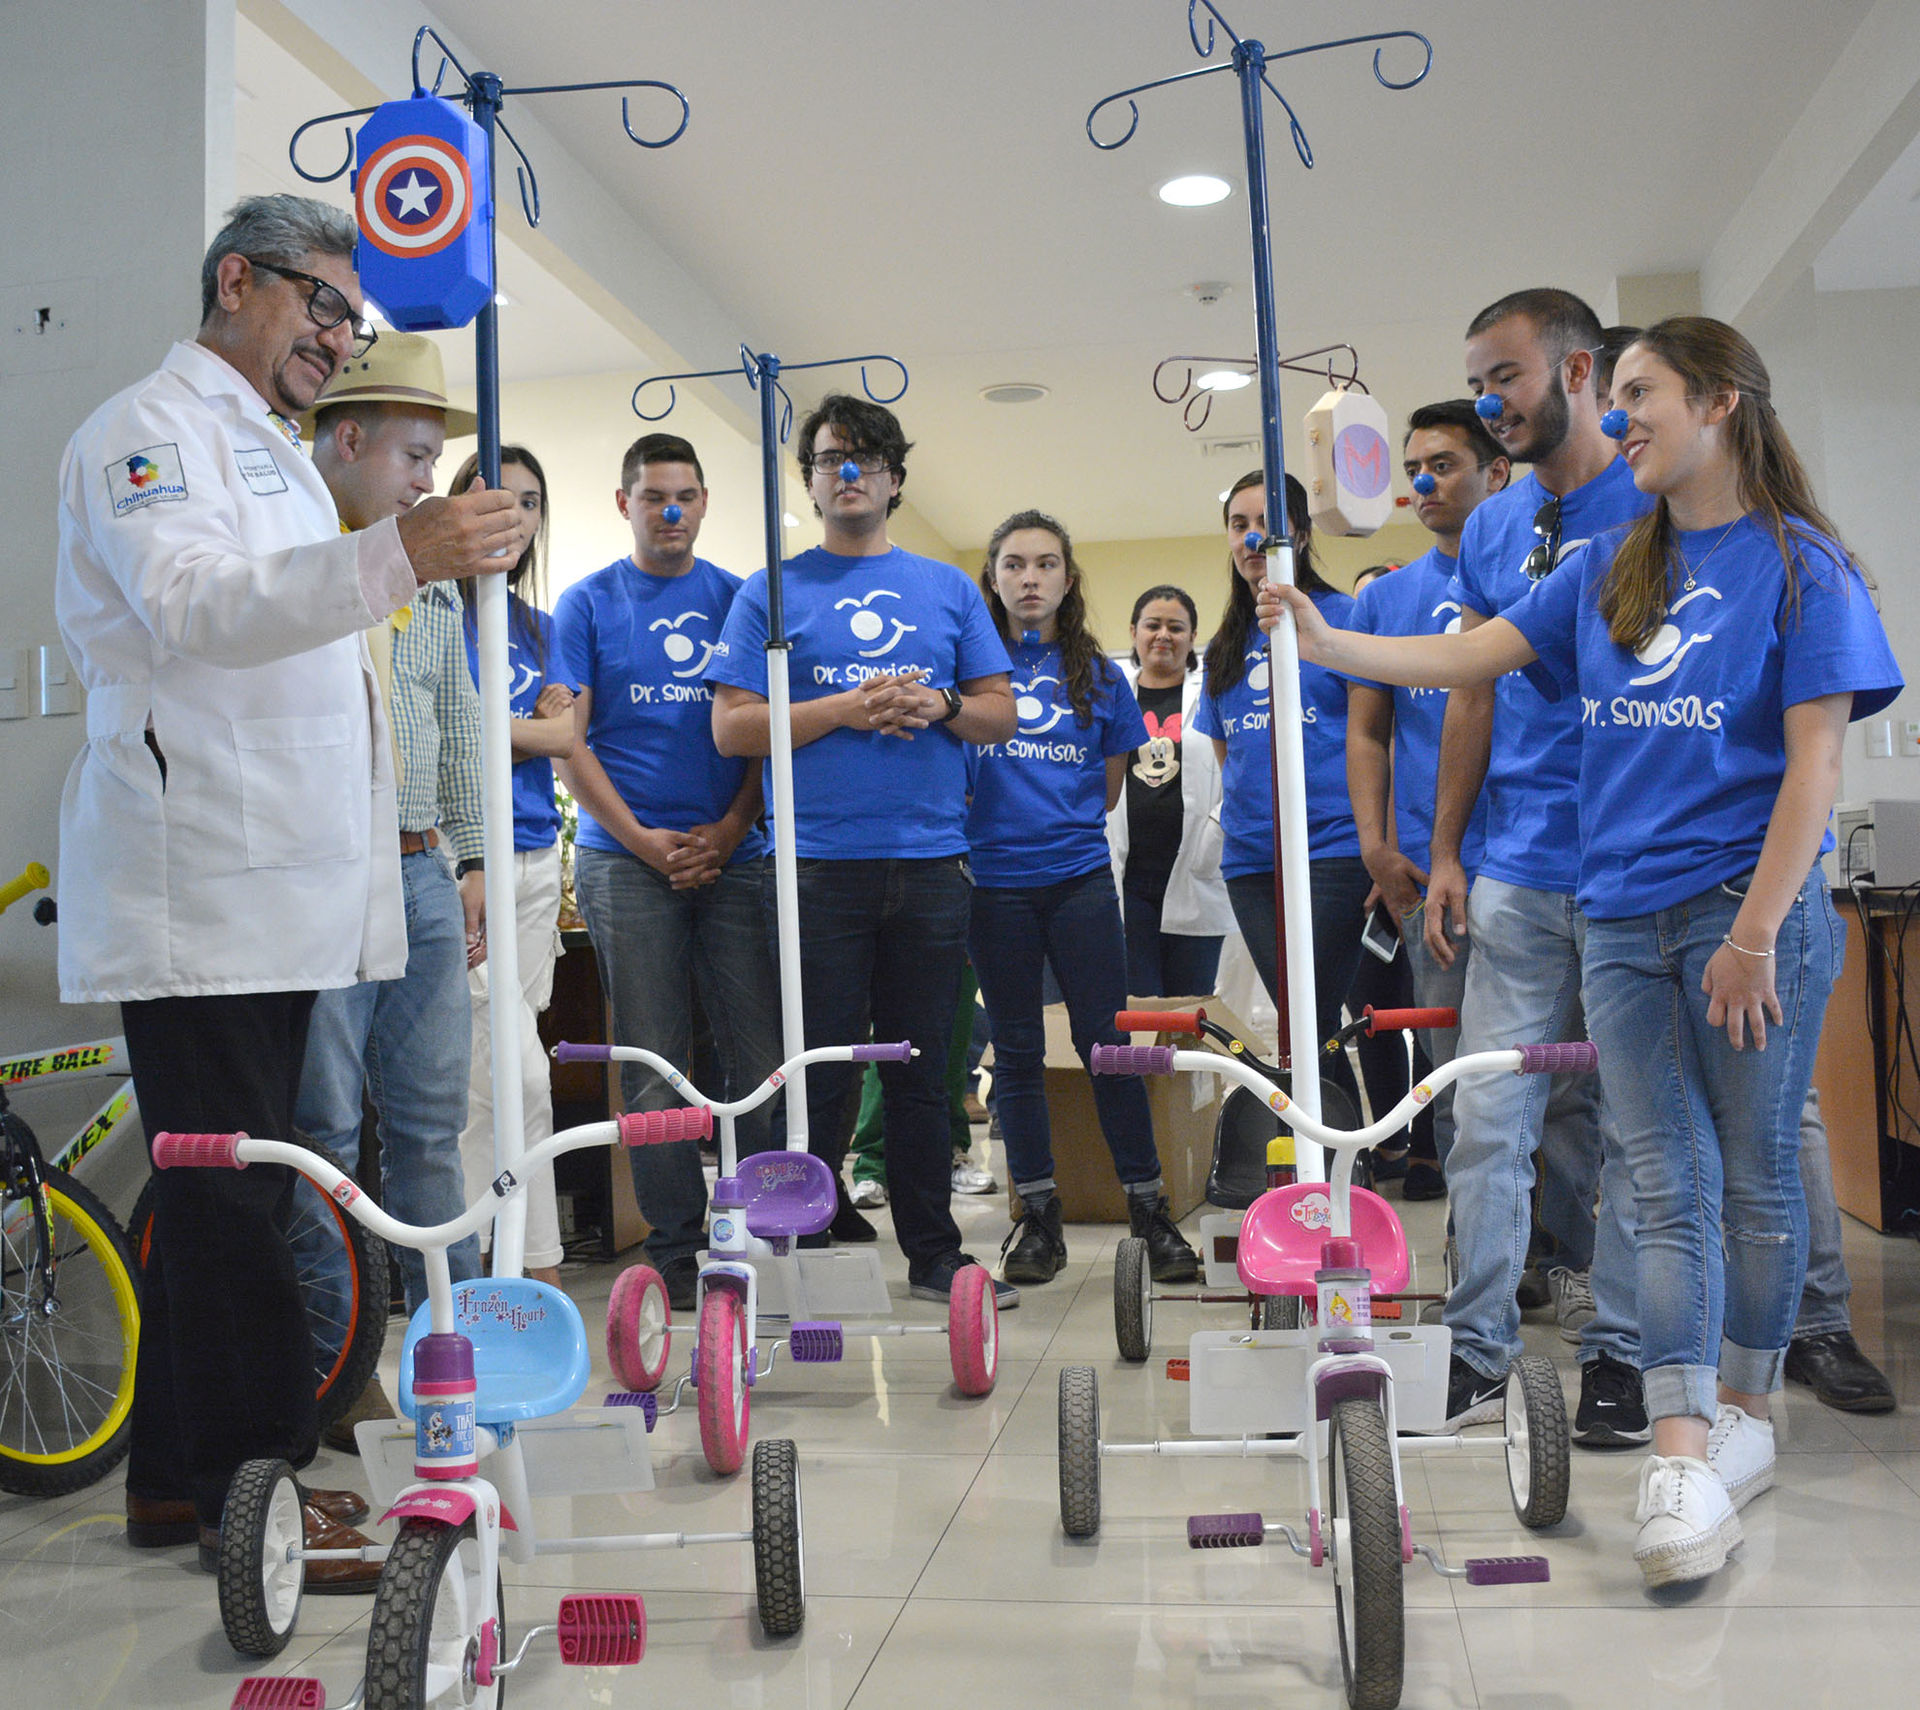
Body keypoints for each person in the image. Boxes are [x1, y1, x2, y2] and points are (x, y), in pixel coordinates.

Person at [1263, 315, 1901, 1588]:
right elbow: (1473, 656)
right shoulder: (1610, 563)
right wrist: (1329, 641)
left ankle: (1746, 1418)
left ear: (1720, 402)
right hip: (1614, 912)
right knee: (1661, 1178)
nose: (1619, 422)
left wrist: (1760, 932)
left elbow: (1816, 764)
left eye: (1642, 395)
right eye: (1613, 400)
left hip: (1743, 913)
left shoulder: (1803, 566)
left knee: (1758, 1178)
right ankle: (1678, 1449)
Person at [55, 194, 515, 1581]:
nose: (339, 339)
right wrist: (400, 555)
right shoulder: (148, 430)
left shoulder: (258, 445)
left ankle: (170, 1485)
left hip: (275, 885)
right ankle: (253, 1498)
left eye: (352, 320)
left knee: (234, 1191)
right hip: (202, 882)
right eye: (322, 305)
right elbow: (197, 607)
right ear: (236, 280)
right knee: (238, 1198)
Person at [709, 394, 1019, 1305]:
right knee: (817, 1075)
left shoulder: (950, 589)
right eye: (831, 459)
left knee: (925, 1071)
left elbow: (1000, 713)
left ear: (894, 480)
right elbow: (732, 728)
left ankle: (933, 1253)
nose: (849, 474)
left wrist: (942, 707)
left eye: (867, 459)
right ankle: (809, 1247)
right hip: (814, 868)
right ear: (807, 480)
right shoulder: (769, 589)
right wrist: (846, 709)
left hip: (929, 866)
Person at [1423, 288, 1650, 1442]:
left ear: (1577, 374)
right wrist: (1448, 848)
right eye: (1478, 378)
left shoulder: (1657, 498)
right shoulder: (1493, 528)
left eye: (1503, 375)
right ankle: (1475, 1350)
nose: (1485, 400)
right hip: (1510, 864)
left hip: (1626, 869)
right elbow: (1473, 685)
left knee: (1622, 1127)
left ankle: (1619, 1354)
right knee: (1490, 1120)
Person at [555, 433, 783, 1311]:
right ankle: (681, 1251)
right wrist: (647, 842)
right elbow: (570, 747)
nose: (673, 511)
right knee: (652, 1064)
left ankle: (756, 1229)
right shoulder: (586, 604)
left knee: (758, 1056)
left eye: (687, 495)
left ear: (706, 501)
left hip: (737, 857)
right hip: (625, 863)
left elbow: (765, 739)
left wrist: (729, 830)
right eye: (655, 497)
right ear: (625, 504)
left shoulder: (739, 599)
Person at [298, 332, 489, 1335]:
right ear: (350, 439)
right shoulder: (297, 562)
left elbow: (457, 728)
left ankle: (448, 1336)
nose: (428, 482)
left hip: (420, 870)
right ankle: (333, 1359)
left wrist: (468, 863)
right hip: (325, 872)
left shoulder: (434, 581)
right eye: (414, 458)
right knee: (323, 1129)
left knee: (430, 1127)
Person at [965, 511, 1200, 1286]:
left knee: (1110, 1050)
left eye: (1045, 565)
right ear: (993, 578)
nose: (1029, 578)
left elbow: (1104, 792)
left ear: (1068, 579)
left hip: (1080, 886)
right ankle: (1037, 1218)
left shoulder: (1100, 676)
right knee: (1020, 1056)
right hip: (993, 889)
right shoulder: (968, 670)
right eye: (1014, 565)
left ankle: (1150, 1210)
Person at [1347, 403, 1510, 1202]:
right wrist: (1376, 845)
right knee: (1447, 1074)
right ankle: (1475, 1256)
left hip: (1539, 864)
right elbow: (1369, 734)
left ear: (1497, 472)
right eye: (1415, 467)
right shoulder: (1385, 601)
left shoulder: (1539, 576)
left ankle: (1557, 1253)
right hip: (1428, 875)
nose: (1421, 482)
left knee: (1565, 1081)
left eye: (1443, 464)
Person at [1192, 471, 1367, 1116]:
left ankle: (1341, 1163)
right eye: (1238, 525)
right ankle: (1337, 1164)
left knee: (1309, 1013)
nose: (1251, 537)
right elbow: (1228, 753)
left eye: (1263, 521)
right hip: (1250, 862)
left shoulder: (1346, 619)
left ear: (1301, 530)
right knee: (1304, 1027)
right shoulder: (1223, 650)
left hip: (1335, 851)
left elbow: (1376, 736)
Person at [449, 444, 572, 1291]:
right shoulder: (427, 612)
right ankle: (530, 1263)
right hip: (468, 867)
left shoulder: (539, 627)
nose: (515, 519)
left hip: (534, 863)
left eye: (530, 502)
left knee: (495, 1083)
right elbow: (459, 734)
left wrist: (511, 723)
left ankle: (486, 1268)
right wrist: (520, 722)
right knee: (514, 1073)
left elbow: (565, 737)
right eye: (497, 499)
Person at [1107, 584, 1232, 998]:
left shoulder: (1213, 694)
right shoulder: (1111, 696)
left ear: (1192, 637)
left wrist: (1215, 832)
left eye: (1176, 627)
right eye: (1153, 625)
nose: (1163, 635)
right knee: (1135, 1010)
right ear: (1133, 632)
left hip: (1194, 871)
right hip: (1127, 880)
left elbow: (1237, 772)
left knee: (1189, 1014)